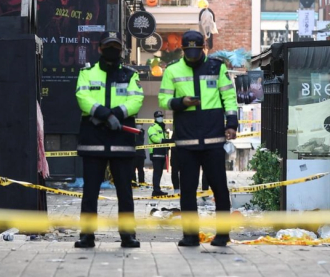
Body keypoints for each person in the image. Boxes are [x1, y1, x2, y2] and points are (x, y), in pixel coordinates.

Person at [158, 31, 238, 247]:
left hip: (212, 139)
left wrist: (231, 124)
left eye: (196, 50)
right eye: (188, 51)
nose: (192, 55)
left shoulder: (216, 67)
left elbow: (229, 97)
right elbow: (163, 100)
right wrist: (181, 102)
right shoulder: (173, 70)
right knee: (187, 190)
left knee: (220, 188)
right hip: (186, 140)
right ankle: (190, 235)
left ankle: (223, 234)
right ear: (182, 50)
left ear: (204, 48)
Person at [75, 31, 144, 248]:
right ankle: (87, 235)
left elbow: (137, 99)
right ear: (99, 48)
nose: (112, 50)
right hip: (93, 139)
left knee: (125, 190)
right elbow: (81, 97)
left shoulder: (130, 75)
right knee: (90, 191)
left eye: (116, 46)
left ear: (121, 50)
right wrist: (104, 114)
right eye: (108, 46)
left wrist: (116, 114)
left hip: (121, 140)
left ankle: (127, 235)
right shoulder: (87, 73)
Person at [147, 111, 169, 197]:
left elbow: (165, 137)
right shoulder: (153, 127)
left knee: (159, 172)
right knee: (157, 172)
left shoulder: (162, 127)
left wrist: (167, 142)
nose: (160, 118)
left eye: (161, 116)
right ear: (155, 118)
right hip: (156, 152)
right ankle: (156, 190)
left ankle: (157, 189)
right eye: (158, 116)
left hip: (162, 152)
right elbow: (154, 138)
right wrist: (164, 141)